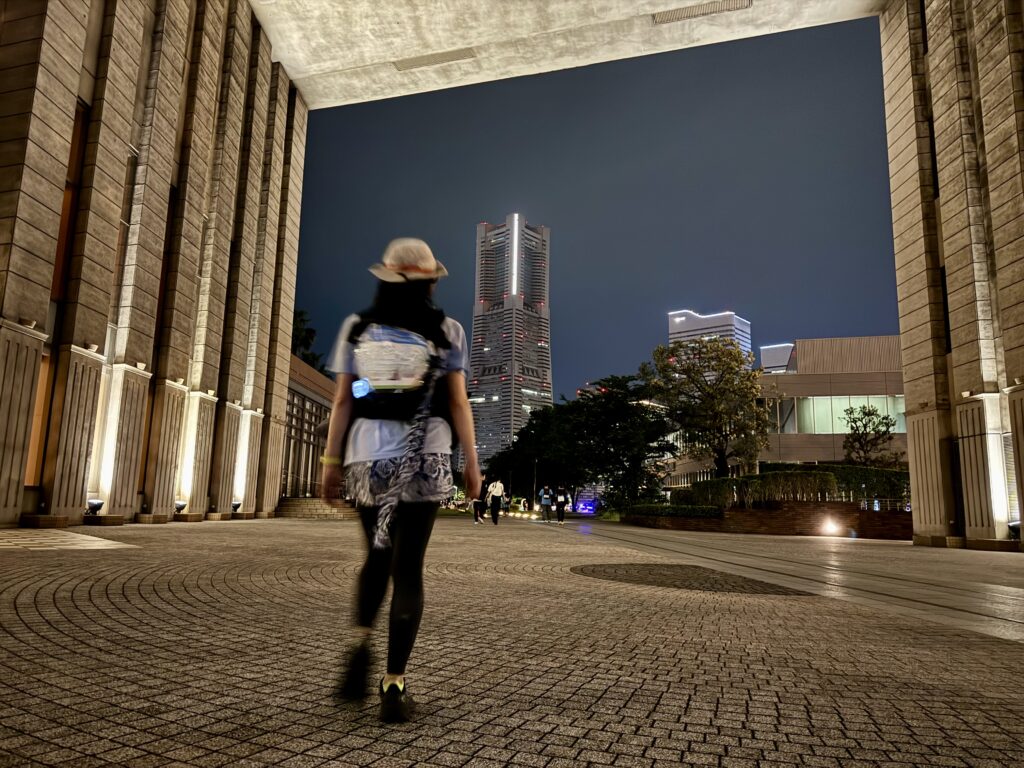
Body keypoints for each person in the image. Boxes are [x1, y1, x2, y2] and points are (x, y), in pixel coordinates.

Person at [321, 238, 481, 723]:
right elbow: (457, 403)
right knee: (408, 569)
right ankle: (394, 684)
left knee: (376, 555)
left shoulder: (358, 326)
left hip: (369, 456)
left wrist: (330, 463)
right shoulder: (447, 329)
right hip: (426, 453)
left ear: (385, 279)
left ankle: (358, 649)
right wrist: (471, 461)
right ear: (431, 281)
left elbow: (344, 402)